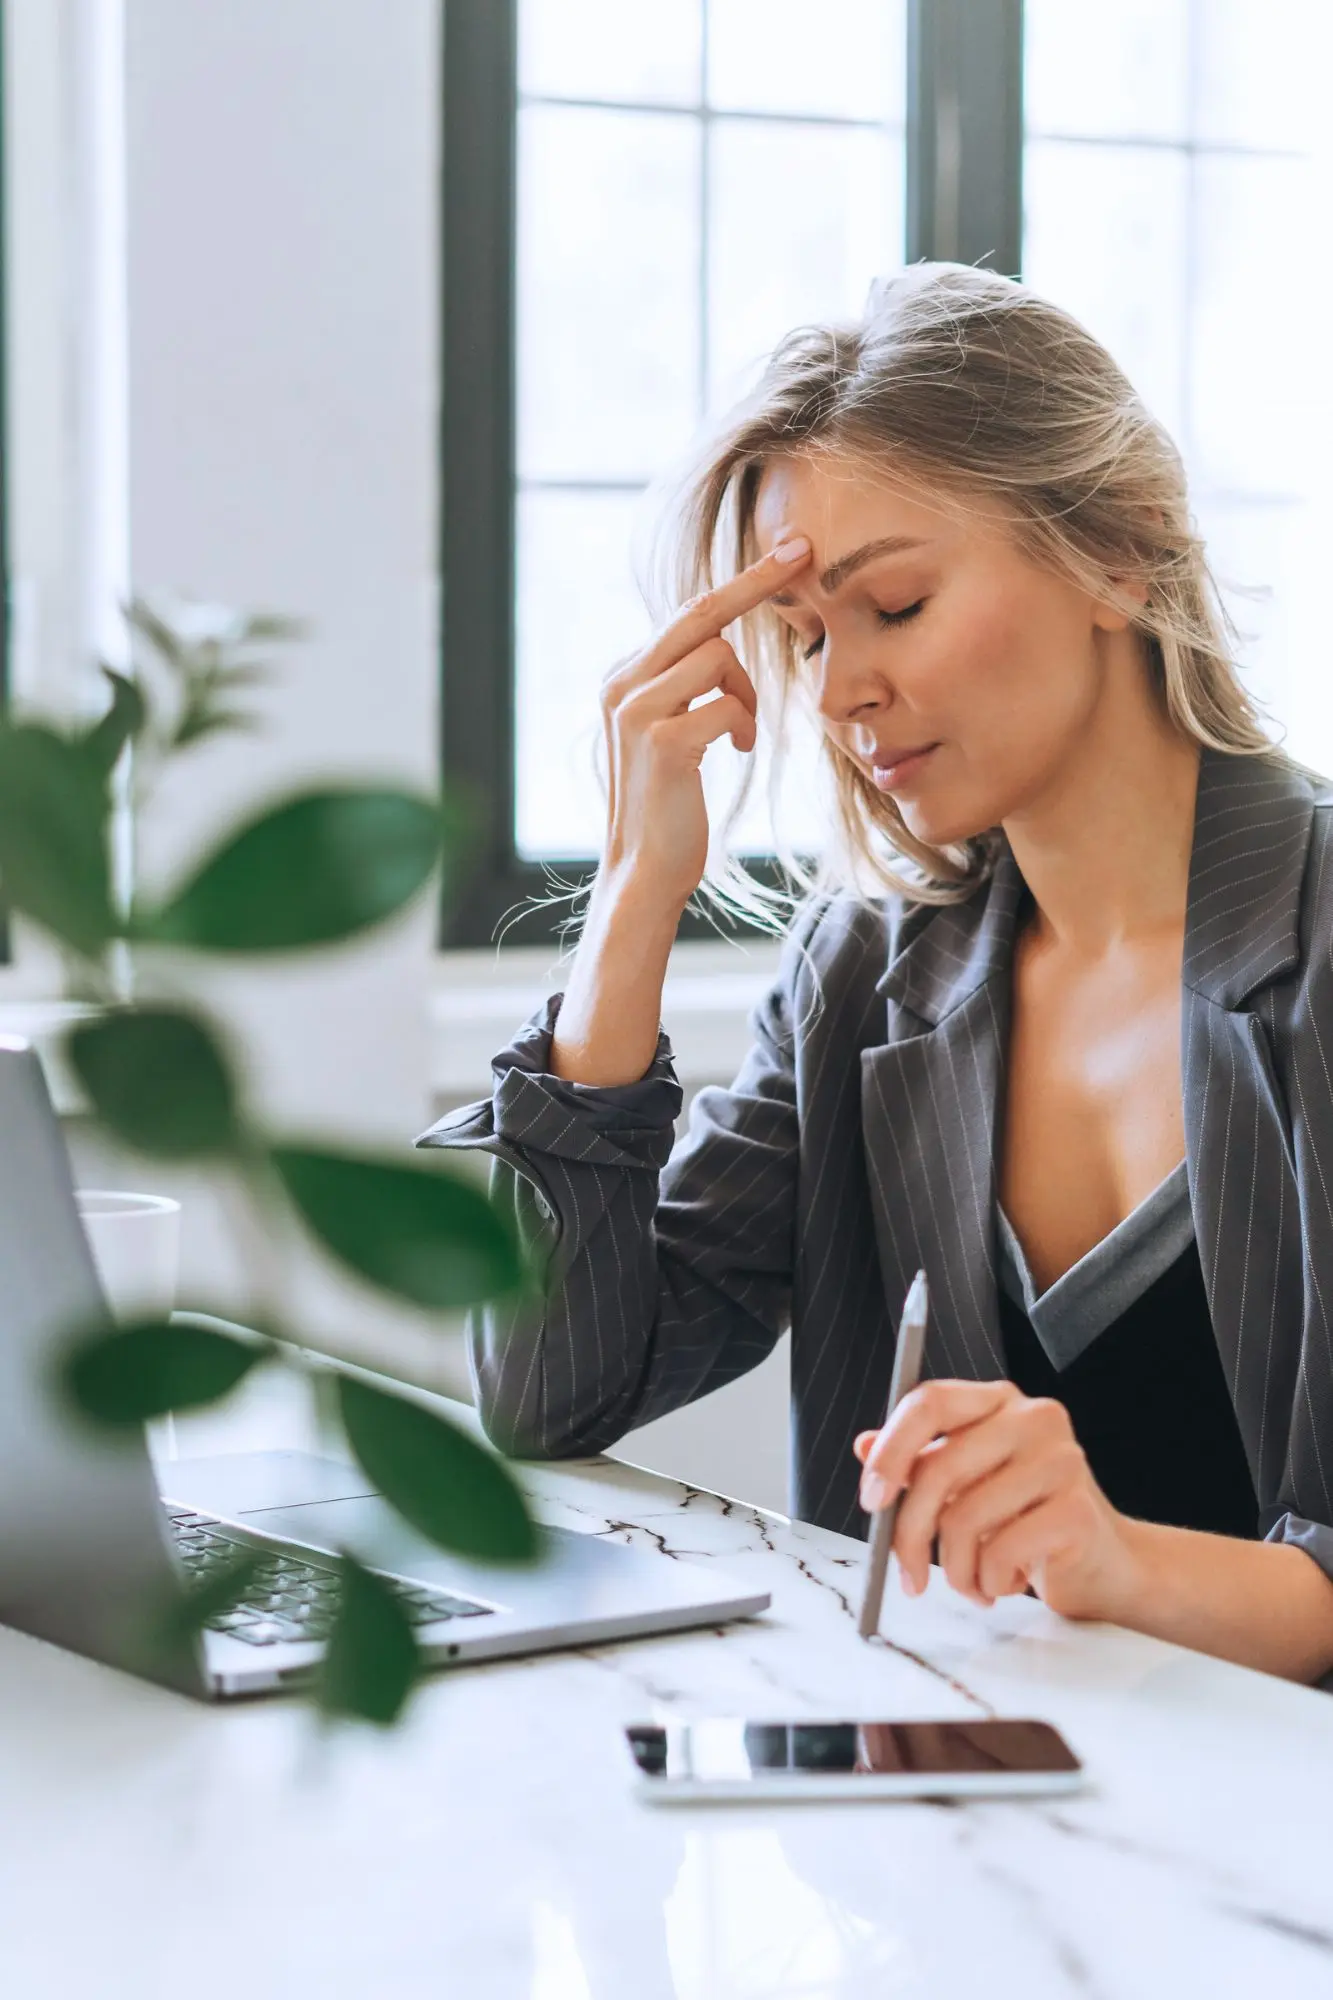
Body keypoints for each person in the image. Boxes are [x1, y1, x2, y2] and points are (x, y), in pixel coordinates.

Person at [422, 264, 1333, 1685]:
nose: (840, 694)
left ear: (1123, 550)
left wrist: (1121, 1560)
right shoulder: (862, 970)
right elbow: (552, 1398)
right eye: (803, 639)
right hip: (950, 1835)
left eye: (894, 605)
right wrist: (630, 905)